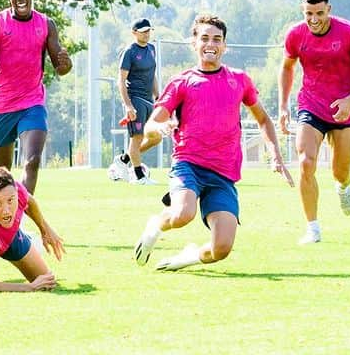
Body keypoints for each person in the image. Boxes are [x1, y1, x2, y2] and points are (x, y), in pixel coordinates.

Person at [134, 15, 293, 271]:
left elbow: (264, 120)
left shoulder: (239, 79)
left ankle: (186, 258)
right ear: (194, 43)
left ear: (225, 45)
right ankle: (156, 225)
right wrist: (159, 127)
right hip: (189, 165)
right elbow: (152, 123)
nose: (211, 44)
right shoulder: (182, 81)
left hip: (223, 174)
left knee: (221, 249)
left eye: (217, 39)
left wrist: (276, 156)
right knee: (183, 214)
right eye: (204, 38)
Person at [278, 0, 350, 244]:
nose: (313, 19)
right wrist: (283, 106)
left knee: (339, 172)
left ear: (328, 10)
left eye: (319, 13)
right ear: (303, 10)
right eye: (308, 13)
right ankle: (313, 229)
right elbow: (287, 68)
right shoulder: (295, 35)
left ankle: (344, 185)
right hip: (311, 105)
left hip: (345, 110)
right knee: (305, 162)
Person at [0, 0, 72, 194]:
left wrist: (66, 63)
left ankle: (19, 215)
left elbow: (62, 68)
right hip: (1, 106)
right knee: (2, 174)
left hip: (32, 104)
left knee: (32, 161)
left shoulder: (46, 24)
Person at [110, 18, 159, 184]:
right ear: (134, 33)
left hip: (149, 100)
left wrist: (159, 97)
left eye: (148, 31)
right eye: (143, 31)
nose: (146, 34)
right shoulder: (130, 52)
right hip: (135, 99)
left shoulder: (152, 49)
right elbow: (121, 80)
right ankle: (139, 177)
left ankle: (124, 159)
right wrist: (128, 105)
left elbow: (153, 76)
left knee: (156, 137)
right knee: (136, 138)